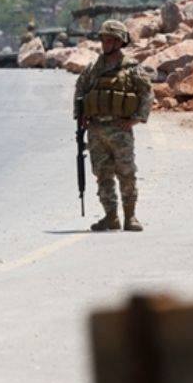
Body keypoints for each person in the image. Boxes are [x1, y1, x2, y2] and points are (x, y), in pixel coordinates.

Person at [74, 20, 153, 232]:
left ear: (119, 42)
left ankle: (130, 216)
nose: (105, 44)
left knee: (126, 173)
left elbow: (147, 94)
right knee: (102, 174)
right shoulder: (93, 68)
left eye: (110, 40)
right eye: (104, 40)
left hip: (120, 130)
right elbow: (80, 90)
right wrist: (80, 117)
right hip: (96, 130)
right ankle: (110, 216)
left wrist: (135, 120)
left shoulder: (131, 68)